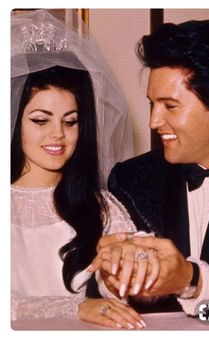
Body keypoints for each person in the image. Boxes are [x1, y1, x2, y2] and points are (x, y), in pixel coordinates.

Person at [11, 9, 148, 329]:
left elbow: (125, 298)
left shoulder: (103, 207)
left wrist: (123, 277)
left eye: (70, 122)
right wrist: (75, 307)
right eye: (40, 120)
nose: (58, 134)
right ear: (14, 123)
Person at [86, 19, 209, 319]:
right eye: (152, 104)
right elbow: (110, 293)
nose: (153, 121)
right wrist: (115, 278)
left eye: (170, 106)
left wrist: (191, 281)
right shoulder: (130, 181)